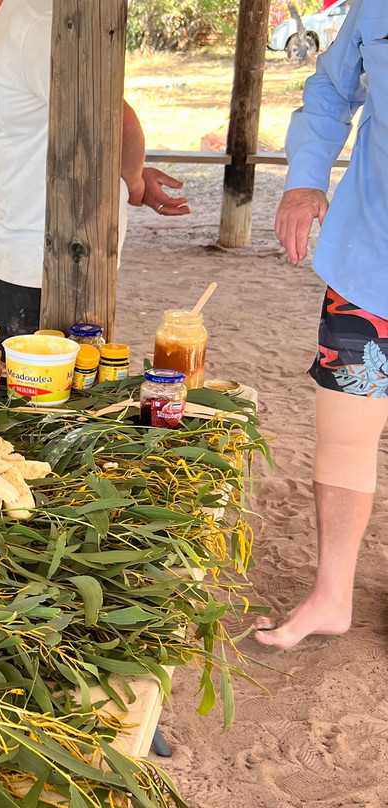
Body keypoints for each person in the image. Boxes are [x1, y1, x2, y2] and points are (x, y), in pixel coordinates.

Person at [0, 0, 191, 343]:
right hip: (21, 259)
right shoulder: (9, 29)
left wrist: (133, 184)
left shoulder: (32, 29)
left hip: (49, 269)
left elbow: (116, 120)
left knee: (35, 395)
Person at [255, 0, 387, 649]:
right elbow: (333, 89)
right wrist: (305, 179)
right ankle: (332, 597)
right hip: (370, 260)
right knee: (343, 433)